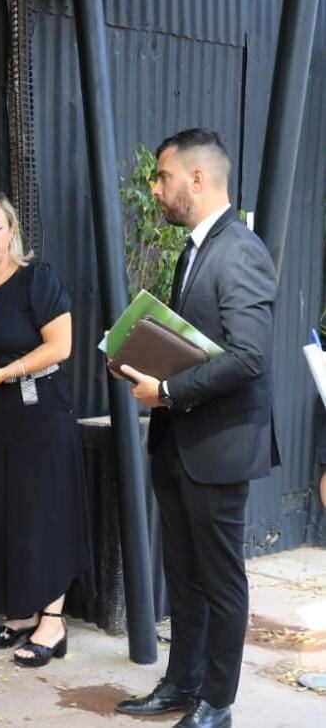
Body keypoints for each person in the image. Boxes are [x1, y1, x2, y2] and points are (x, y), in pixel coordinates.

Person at [115, 128, 278, 728]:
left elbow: (248, 356)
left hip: (219, 447)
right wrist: (140, 356)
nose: (156, 189)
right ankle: (181, 684)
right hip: (180, 442)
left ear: (198, 179)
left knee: (219, 580)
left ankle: (218, 701)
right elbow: (200, 347)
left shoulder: (240, 250)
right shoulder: (194, 249)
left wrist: (167, 390)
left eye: (162, 177)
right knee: (182, 575)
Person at [0, 189, 92, 669]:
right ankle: (24, 611)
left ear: (12, 232)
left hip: (39, 413)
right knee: (3, 512)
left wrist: (5, 374)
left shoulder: (36, 280)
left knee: (42, 512)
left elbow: (61, 346)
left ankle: (53, 620)